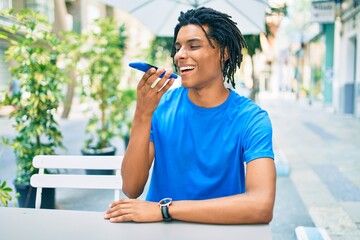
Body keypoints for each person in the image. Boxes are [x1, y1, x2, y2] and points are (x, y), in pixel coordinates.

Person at [104, 7, 276, 224]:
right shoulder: (161, 106)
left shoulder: (252, 119)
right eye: (177, 48)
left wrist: (165, 210)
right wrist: (141, 115)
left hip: (222, 232)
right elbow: (131, 187)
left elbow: (261, 206)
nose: (179, 55)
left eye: (194, 46)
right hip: (160, 233)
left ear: (224, 53)